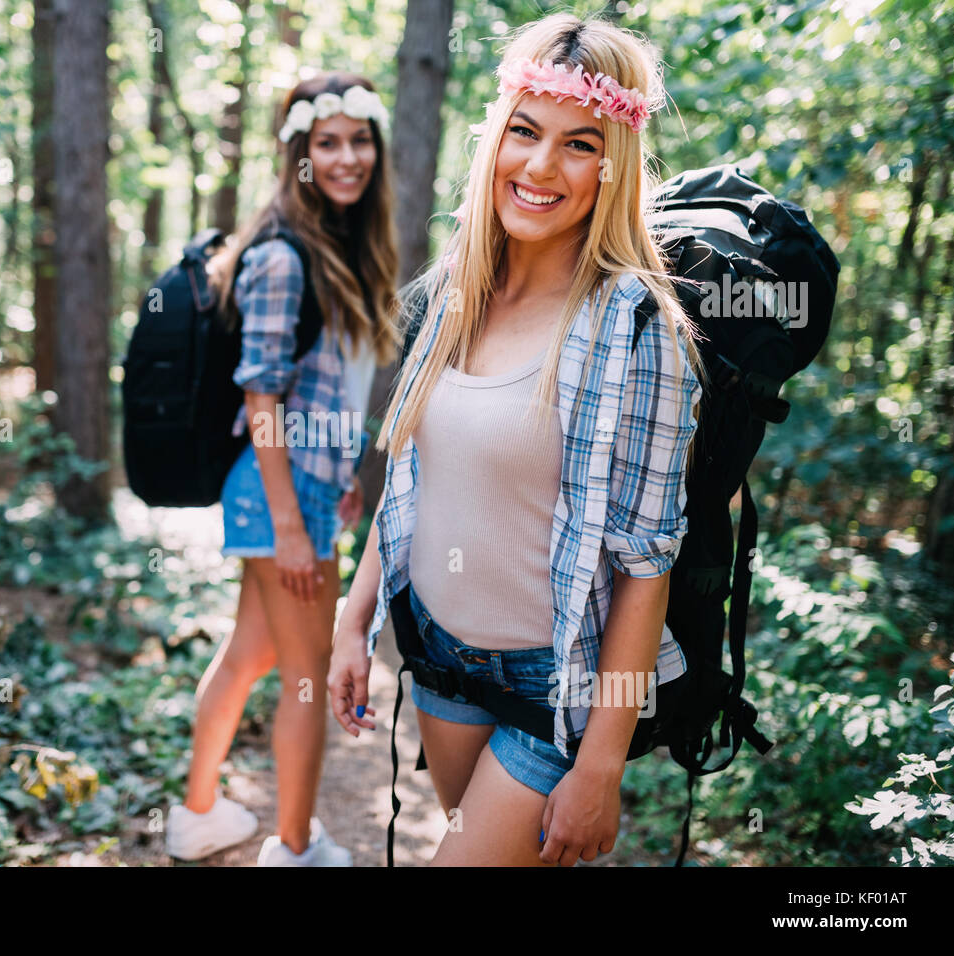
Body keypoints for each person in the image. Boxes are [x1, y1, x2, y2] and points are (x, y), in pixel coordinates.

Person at [327, 13, 708, 866]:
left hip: (557, 692)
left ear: (614, 166)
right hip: (440, 659)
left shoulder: (639, 331)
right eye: (525, 131)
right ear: (496, 133)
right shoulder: (459, 287)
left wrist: (601, 764)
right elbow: (415, 479)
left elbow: (645, 569)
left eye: (580, 143)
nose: (540, 167)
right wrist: (355, 621)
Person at [165, 73, 399, 866]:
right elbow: (261, 396)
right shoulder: (282, 256)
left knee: (252, 655)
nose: (346, 158)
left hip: (303, 484)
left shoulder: (336, 248)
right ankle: (295, 849)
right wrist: (293, 525)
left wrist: (344, 476)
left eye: (359, 140)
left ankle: (199, 816)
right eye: (326, 143)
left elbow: (319, 387)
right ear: (298, 151)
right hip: (279, 493)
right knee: (305, 676)